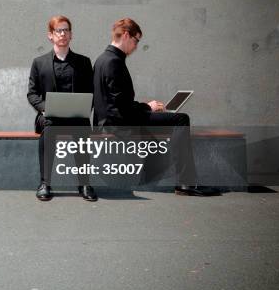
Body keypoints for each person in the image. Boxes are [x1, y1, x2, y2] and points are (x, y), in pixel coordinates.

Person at [93, 17, 218, 196]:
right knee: (181, 119)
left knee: (167, 128)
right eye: (136, 40)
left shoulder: (102, 59)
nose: (136, 46)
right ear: (127, 35)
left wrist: (145, 107)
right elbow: (121, 108)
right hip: (119, 123)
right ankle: (186, 183)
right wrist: (147, 107)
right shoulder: (113, 62)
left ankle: (156, 175)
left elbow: (115, 103)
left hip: (112, 121)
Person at [27, 15, 97, 201]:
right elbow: (32, 94)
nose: (63, 34)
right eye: (59, 30)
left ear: (71, 34)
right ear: (50, 35)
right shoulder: (39, 63)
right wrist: (44, 108)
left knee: (82, 133)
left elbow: (91, 91)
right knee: (47, 135)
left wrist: (84, 107)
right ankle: (45, 183)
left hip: (77, 116)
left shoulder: (83, 62)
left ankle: (84, 184)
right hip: (51, 117)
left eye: (66, 30)